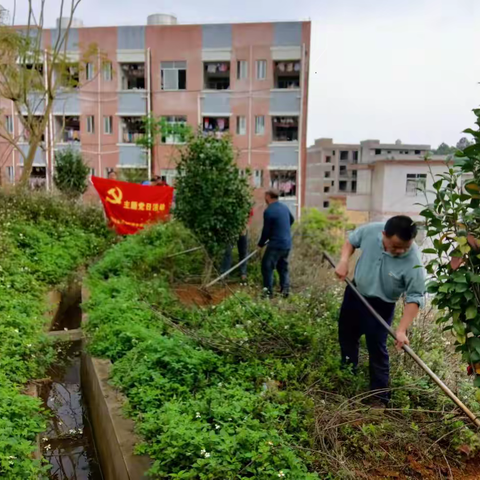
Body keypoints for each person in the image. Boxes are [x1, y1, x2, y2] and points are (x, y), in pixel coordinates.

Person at [335, 216, 425, 406]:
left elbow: (415, 297)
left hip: (382, 305)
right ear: (384, 234)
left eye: (405, 247)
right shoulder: (371, 231)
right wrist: (344, 261)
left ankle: (379, 398)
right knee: (347, 335)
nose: (400, 251)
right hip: (356, 293)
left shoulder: (413, 260)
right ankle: (347, 375)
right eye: (395, 246)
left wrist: (401, 330)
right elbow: (351, 242)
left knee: (377, 347)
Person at [258, 189, 294, 297]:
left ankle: (268, 293)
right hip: (286, 243)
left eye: (265, 196)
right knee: (282, 267)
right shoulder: (284, 207)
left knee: (267, 266)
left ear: (268, 196)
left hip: (276, 244)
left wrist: (260, 244)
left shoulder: (269, 211)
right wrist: (282, 230)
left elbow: (266, 231)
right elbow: (292, 220)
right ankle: (285, 291)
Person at [221, 208, 254, 283]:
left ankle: (243, 273)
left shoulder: (246, 202)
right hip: (230, 230)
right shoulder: (230, 202)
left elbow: (250, 214)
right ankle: (225, 273)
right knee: (227, 251)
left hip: (243, 230)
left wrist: (246, 226)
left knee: (243, 252)